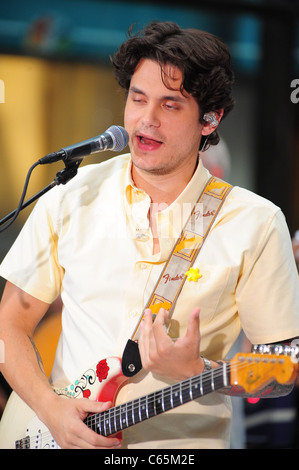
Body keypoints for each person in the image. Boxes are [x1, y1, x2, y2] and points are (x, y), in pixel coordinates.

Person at [0, 21, 299, 450]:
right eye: (137, 99)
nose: (147, 119)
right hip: (56, 434)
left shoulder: (256, 222)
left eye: (171, 105)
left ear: (210, 120)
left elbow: (283, 371)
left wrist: (196, 370)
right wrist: (50, 410)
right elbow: (9, 324)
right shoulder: (72, 195)